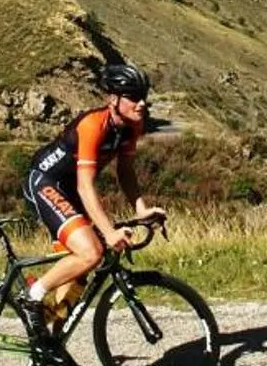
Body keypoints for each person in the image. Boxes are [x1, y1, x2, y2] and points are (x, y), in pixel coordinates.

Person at [22, 63, 165, 330]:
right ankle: (33, 296)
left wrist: (142, 209)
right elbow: (86, 187)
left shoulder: (132, 126)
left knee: (80, 271)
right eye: (134, 97)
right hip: (45, 183)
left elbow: (126, 172)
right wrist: (109, 232)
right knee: (92, 252)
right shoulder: (93, 125)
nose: (142, 103)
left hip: (70, 189)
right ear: (113, 99)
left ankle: (52, 346)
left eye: (143, 95)